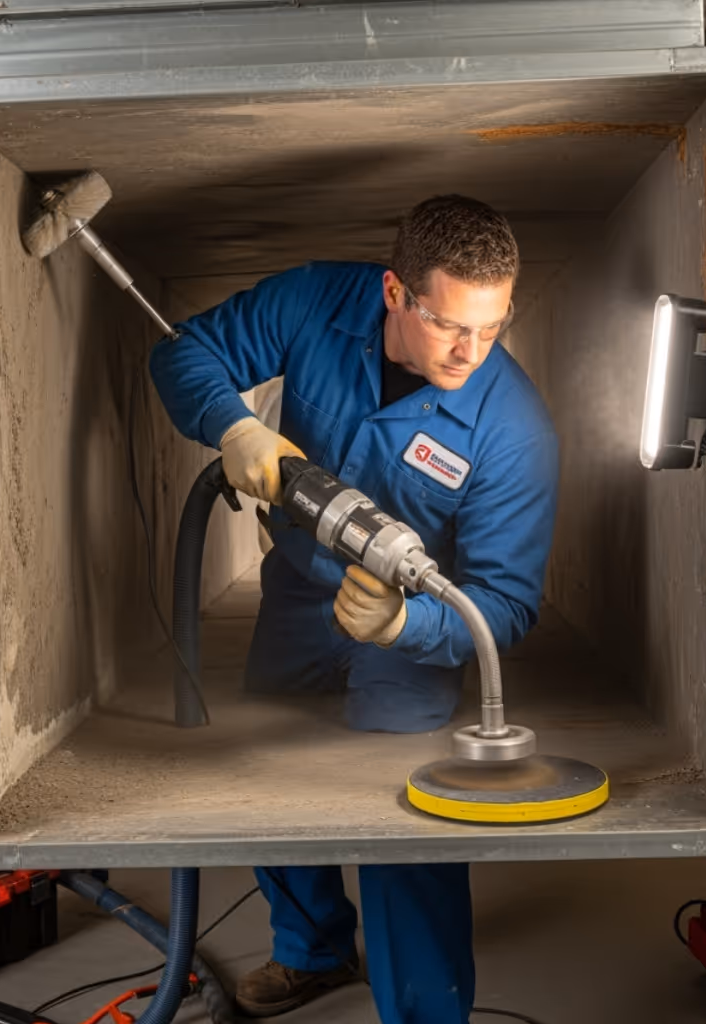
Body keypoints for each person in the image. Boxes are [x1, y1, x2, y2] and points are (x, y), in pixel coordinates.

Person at [148, 195, 560, 1024]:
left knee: (404, 813)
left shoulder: (514, 428)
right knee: (265, 769)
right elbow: (183, 352)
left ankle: (422, 1010)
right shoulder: (313, 303)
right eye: (450, 326)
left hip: (410, 628)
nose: (472, 352)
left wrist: (407, 624)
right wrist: (233, 427)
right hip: (300, 592)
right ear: (394, 294)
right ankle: (311, 951)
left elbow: (505, 606)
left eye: (493, 327)